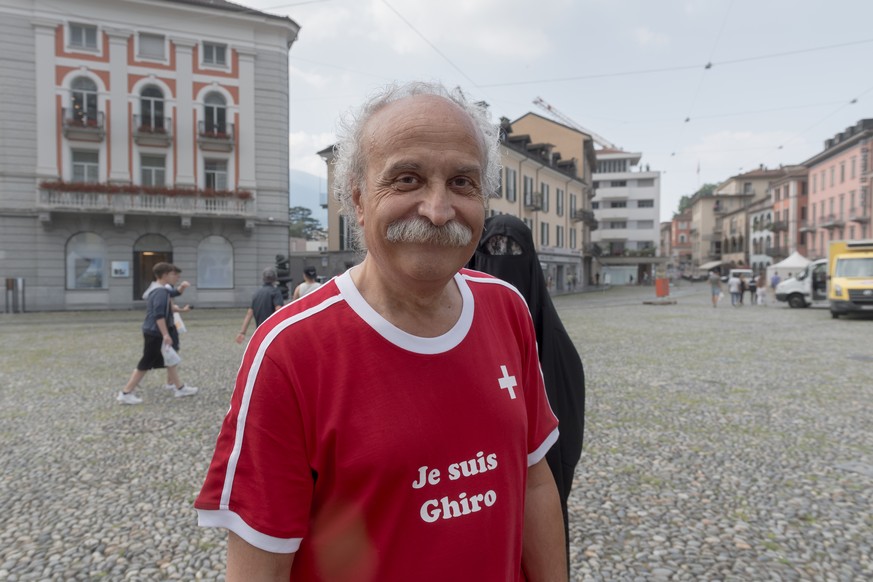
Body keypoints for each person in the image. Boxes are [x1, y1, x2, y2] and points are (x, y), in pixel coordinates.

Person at [195, 82, 566, 581]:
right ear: (358, 200)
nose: (438, 210)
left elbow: (534, 480)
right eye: (408, 179)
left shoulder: (508, 308)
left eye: (462, 182)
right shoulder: (289, 350)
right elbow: (260, 563)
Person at [470, 213, 585, 568]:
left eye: (513, 252)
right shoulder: (444, 331)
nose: (502, 261)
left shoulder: (556, 348)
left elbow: (562, 442)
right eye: (493, 250)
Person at [117, 262, 199, 404]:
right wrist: (166, 335)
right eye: (174, 275)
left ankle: (179, 388)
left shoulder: (160, 289)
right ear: (165, 275)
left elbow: (174, 293)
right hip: (155, 333)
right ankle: (126, 392)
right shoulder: (160, 292)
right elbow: (158, 315)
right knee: (145, 363)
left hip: (153, 332)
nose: (176, 278)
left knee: (171, 359)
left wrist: (182, 288)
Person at [235, 267, 285, 345]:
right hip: (272, 332)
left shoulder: (256, 293)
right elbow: (279, 309)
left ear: (263, 279)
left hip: (259, 332)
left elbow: (249, 313)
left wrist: (242, 332)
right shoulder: (275, 292)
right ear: (275, 279)